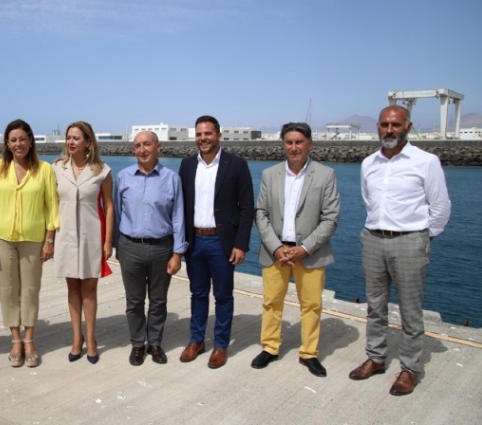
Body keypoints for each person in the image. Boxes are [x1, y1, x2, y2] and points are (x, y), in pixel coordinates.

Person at [349, 105, 451, 396]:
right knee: (375, 306)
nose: (389, 130)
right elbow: (369, 201)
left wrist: (422, 237)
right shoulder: (369, 163)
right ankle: (376, 358)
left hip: (410, 241)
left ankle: (410, 369)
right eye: (384, 125)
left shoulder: (426, 162)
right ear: (378, 127)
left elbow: (441, 207)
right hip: (373, 239)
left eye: (395, 125)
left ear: (408, 127)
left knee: (410, 310)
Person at [251, 122, 341, 377]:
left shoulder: (326, 175)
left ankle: (309, 353)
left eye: (299, 142)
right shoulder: (270, 174)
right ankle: (270, 347)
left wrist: (305, 248)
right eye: (289, 142)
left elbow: (331, 218)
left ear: (309, 143)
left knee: (311, 305)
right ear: (283, 144)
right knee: (271, 302)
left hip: (310, 253)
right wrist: (276, 247)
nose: (294, 147)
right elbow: (261, 213)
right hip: (275, 252)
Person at [178, 115, 255, 369]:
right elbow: (181, 206)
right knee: (197, 294)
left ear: (219, 135)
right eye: (199, 134)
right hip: (195, 241)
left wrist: (241, 244)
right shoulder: (187, 165)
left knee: (223, 296)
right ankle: (197, 340)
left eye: (208, 134)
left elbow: (246, 208)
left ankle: (221, 344)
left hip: (222, 243)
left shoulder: (237, 165)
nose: (203, 138)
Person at [0, 119, 59, 368]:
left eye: (22, 139)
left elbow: (52, 208)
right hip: (2, 238)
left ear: (30, 141)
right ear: (7, 143)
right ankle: (15, 340)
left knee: (30, 290)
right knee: (7, 290)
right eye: (13, 140)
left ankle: (29, 340)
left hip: (34, 239)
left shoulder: (44, 169)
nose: (18, 144)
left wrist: (49, 241)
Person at [113, 130, 187, 366]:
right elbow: (116, 213)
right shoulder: (123, 177)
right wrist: (117, 246)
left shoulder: (171, 179)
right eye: (137, 146)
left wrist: (177, 253)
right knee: (133, 301)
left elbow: (178, 218)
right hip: (130, 247)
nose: (142, 150)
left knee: (158, 301)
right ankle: (137, 344)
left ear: (158, 147)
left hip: (161, 248)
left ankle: (154, 343)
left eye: (147, 145)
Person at [52, 121, 114, 365]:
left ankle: (91, 339)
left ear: (88, 142)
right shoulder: (57, 168)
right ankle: (76, 339)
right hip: (65, 237)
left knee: (89, 290)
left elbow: (109, 207)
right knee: (72, 289)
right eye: (68, 137)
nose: (70, 142)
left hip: (92, 237)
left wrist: (108, 241)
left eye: (76, 138)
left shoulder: (102, 170)